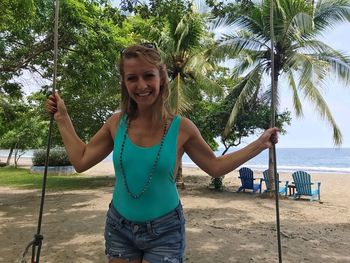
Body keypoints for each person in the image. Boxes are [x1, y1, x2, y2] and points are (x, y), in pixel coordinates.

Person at [46, 43, 279, 263]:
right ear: (124, 83)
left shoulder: (183, 128)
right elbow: (81, 160)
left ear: (161, 78)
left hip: (165, 230)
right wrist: (63, 118)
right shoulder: (115, 123)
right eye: (132, 78)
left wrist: (259, 144)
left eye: (148, 75)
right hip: (119, 227)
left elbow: (215, 167)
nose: (141, 85)